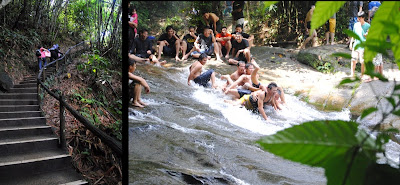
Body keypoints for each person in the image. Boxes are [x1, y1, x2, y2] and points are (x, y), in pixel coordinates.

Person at [349, 11, 370, 81]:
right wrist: (351, 43)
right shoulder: (355, 25)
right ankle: (352, 74)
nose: (358, 19)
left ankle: (362, 74)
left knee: (362, 61)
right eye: (358, 18)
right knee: (353, 60)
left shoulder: (368, 26)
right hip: (356, 45)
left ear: (363, 18)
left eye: (360, 18)